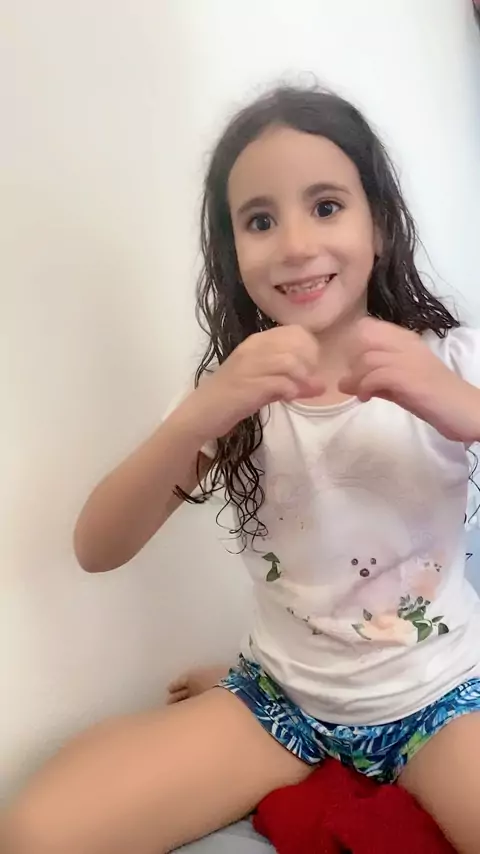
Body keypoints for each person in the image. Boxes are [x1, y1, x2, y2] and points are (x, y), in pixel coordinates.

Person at [4, 85, 480, 854]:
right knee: (37, 832)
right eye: (260, 220)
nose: (294, 243)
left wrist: (459, 403)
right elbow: (97, 548)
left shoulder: (451, 358)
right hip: (279, 701)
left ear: (380, 225)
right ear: (233, 253)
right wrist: (198, 416)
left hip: (442, 699)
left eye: (326, 206)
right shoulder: (230, 394)